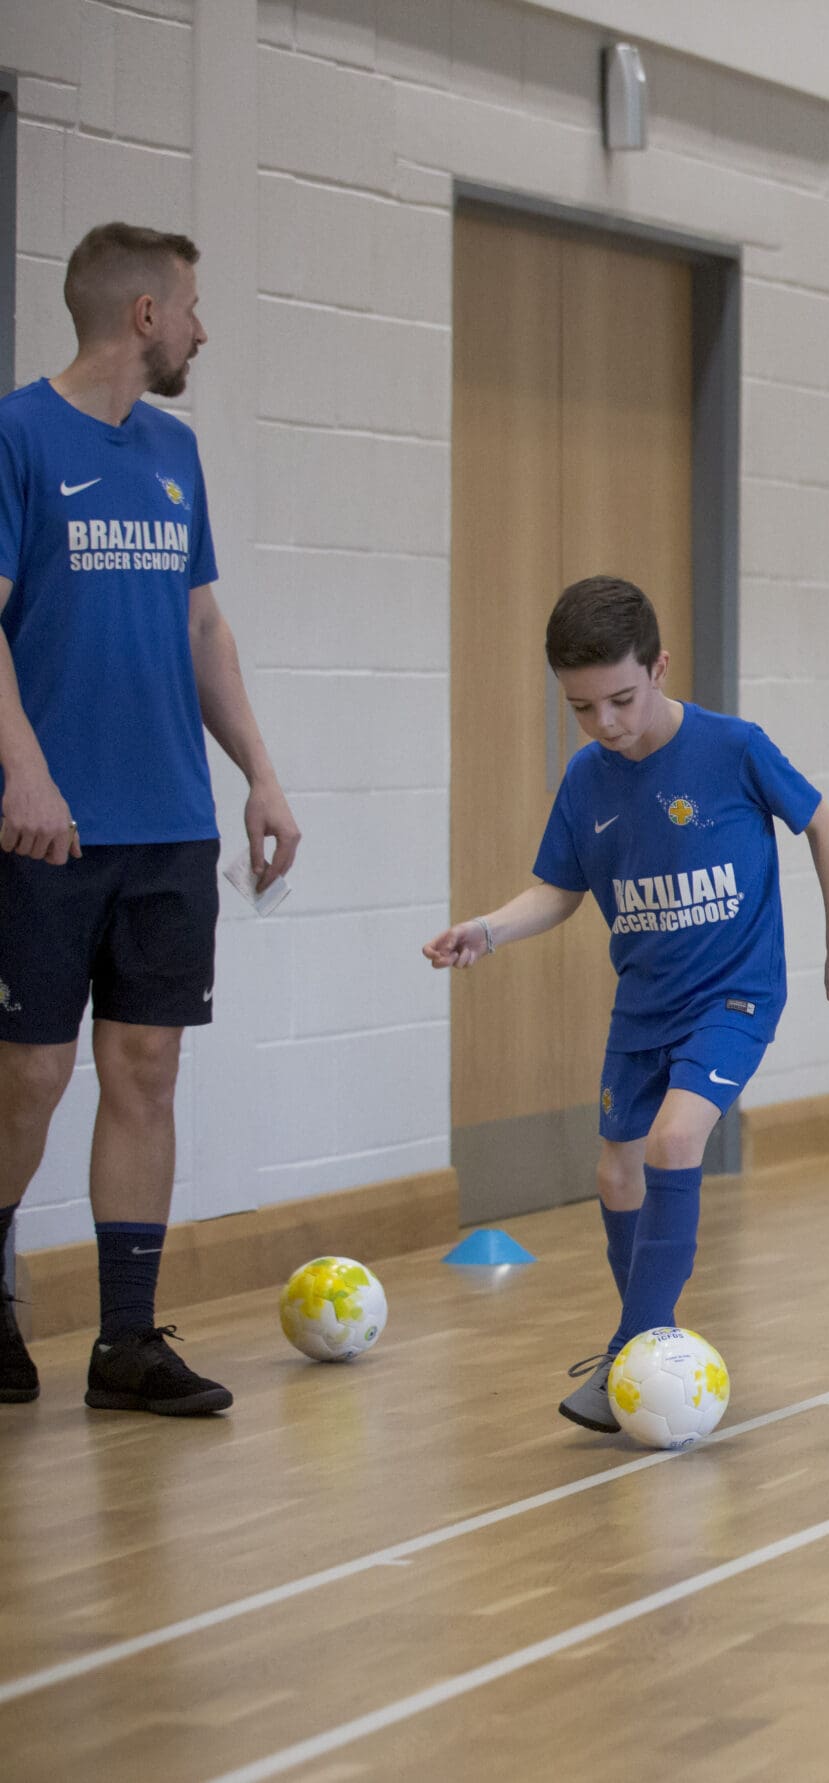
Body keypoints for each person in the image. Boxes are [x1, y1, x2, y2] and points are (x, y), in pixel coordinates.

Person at [422, 576, 829, 1434]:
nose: (605, 724)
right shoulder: (587, 780)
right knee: (616, 1170)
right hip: (645, 1004)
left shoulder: (732, 747)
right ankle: (647, 1346)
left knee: (673, 1138)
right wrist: (487, 928)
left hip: (735, 993)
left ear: (659, 667)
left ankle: (634, 1344)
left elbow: (826, 825)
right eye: (582, 707)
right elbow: (557, 892)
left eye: (621, 699)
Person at [0, 223, 301, 1415]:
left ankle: (128, 1342)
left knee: (147, 1068)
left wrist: (259, 776)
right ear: (141, 316)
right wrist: (22, 775)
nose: (200, 327)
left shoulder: (174, 451)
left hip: (167, 821)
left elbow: (201, 628)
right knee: (29, 1074)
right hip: (47, 827)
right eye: (190, 305)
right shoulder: (17, 434)